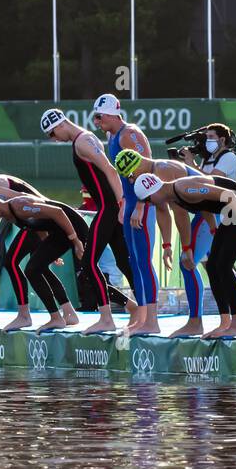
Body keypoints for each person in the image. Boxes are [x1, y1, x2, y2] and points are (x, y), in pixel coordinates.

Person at [131, 171, 236, 339]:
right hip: (231, 213)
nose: (149, 204)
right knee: (213, 265)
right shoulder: (174, 197)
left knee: (223, 266)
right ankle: (225, 323)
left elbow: (229, 195)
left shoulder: (184, 188)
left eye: (148, 201)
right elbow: (204, 205)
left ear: (154, 192)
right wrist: (211, 230)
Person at [40, 108, 136, 332]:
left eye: (52, 135)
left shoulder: (82, 141)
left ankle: (106, 318)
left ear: (59, 125)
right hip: (110, 209)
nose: (55, 140)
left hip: (108, 210)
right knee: (124, 262)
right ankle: (142, 310)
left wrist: (122, 204)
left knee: (89, 262)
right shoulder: (87, 137)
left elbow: (110, 171)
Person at [174, 124, 236, 336]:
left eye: (211, 137)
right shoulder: (209, 159)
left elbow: (208, 183)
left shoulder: (228, 158)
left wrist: (190, 165)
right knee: (218, 267)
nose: (207, 141)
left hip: (214, 214)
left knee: (188, 263)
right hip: (215, 214)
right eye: (205, 137)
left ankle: (195, 320)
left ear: (223, 140)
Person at [92, 93, 159, 335]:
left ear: (110, 114)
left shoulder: (130, 134)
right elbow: (123, 176)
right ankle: (142, 317)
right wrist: (124, 203)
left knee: (143, 261)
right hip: (130, 202)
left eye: (99, 117)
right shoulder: (112, 137)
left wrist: (141, 204)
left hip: (144, 202)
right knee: (134, 263)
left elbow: (148, 170)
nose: (97, 122)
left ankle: (152, 320)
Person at [0, 190, 86, 332]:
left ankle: (49, 317)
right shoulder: (10, 214)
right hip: (58, 231)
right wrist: (48, 249)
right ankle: (67, 312)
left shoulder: (19, 207)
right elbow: (38, 225)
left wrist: (76, 241)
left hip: (72, 227)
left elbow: (57, 212)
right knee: (36, 267)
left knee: (30, 269)